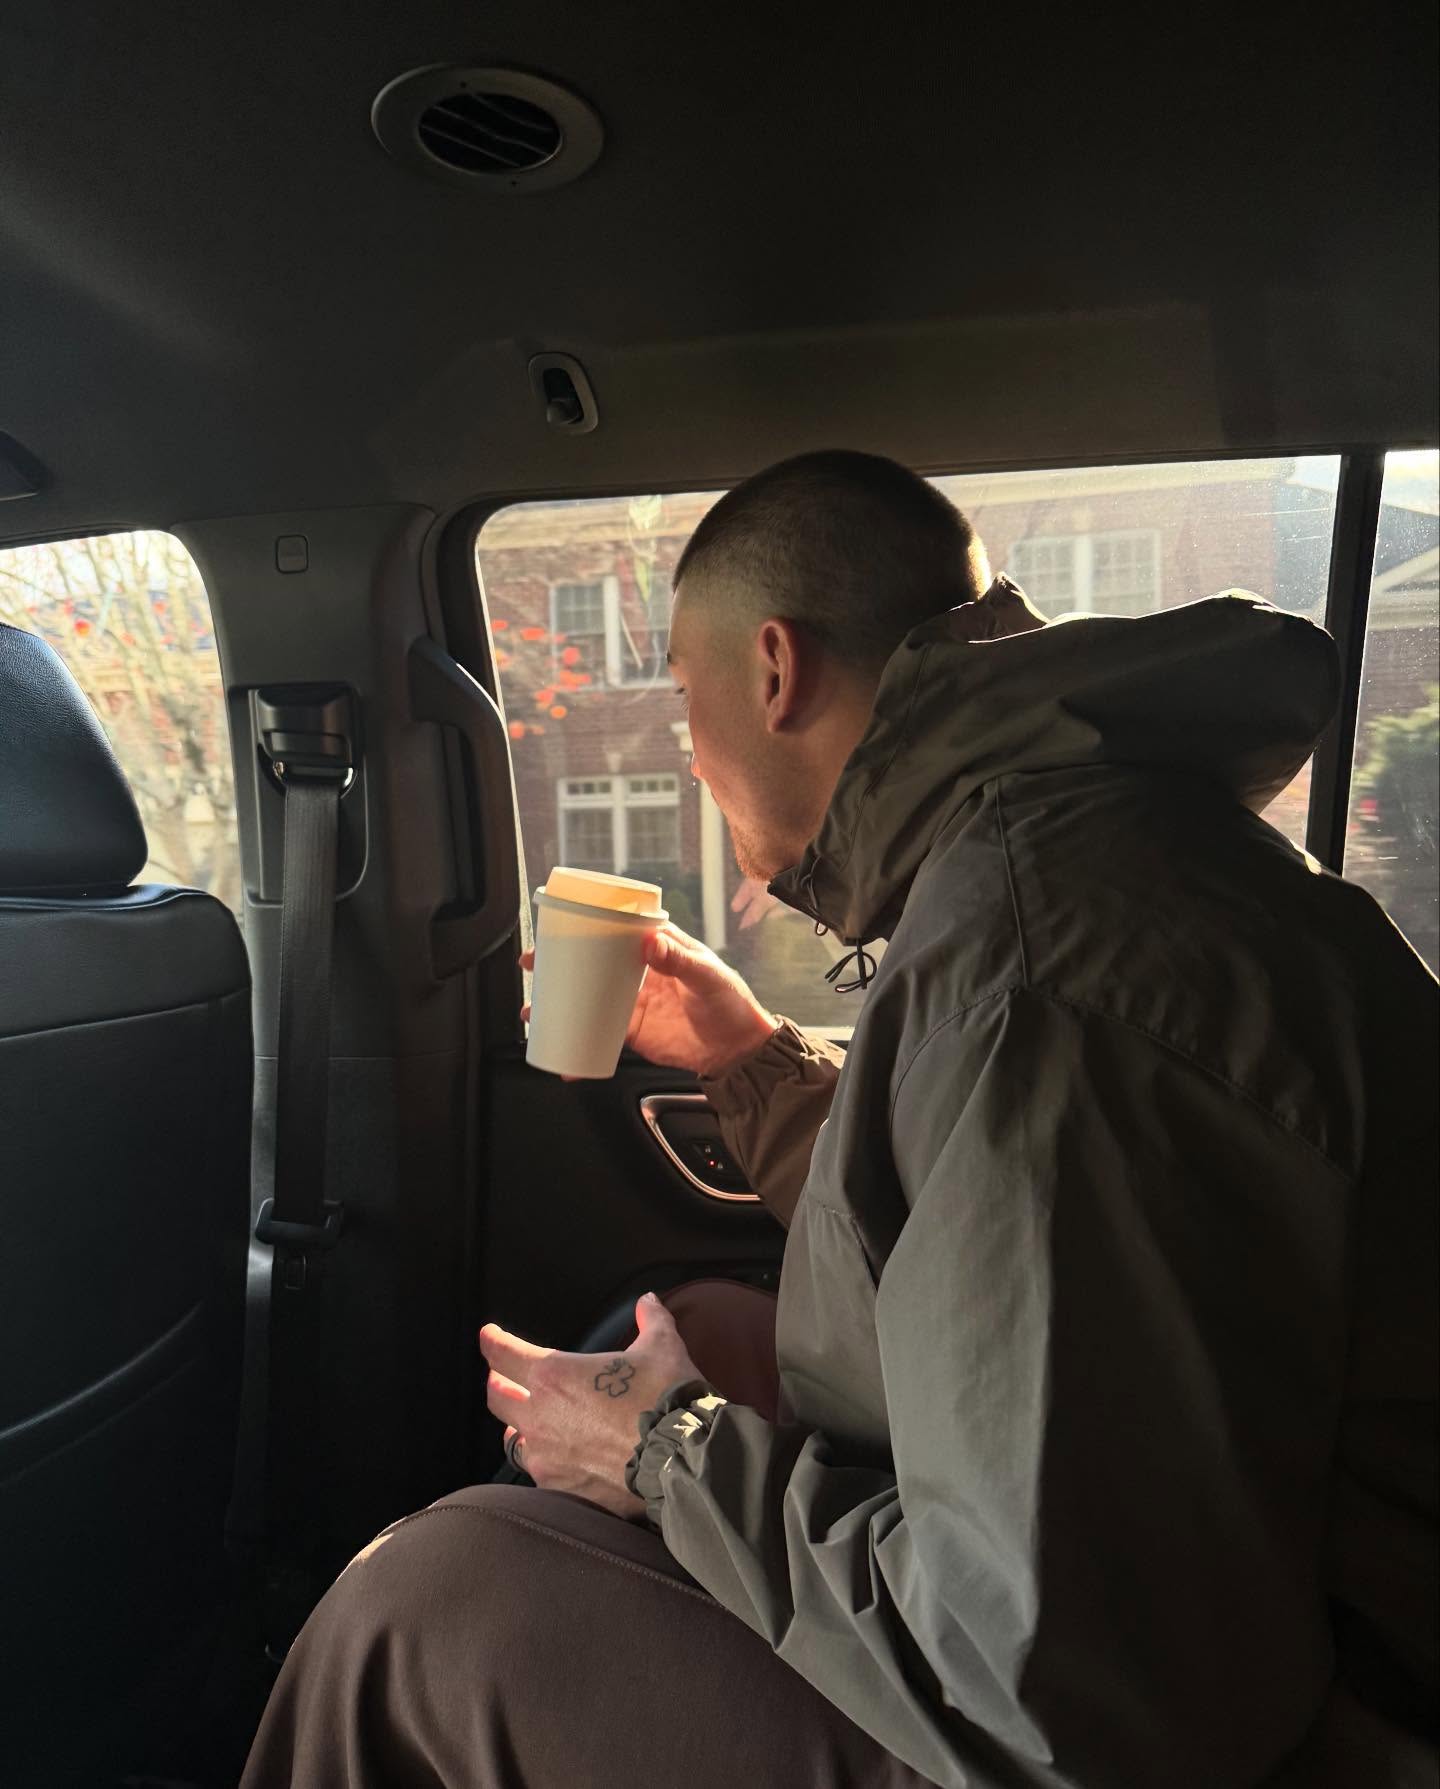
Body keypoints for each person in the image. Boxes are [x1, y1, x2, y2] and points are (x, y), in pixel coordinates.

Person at [242, 451, 1438, 1788]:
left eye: (684, 700)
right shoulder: (1068, 865)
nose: (690, 754)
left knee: (419, 1605)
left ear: (775, 670)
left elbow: (1062, 1691)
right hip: (1240, 1656)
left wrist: (664, 1451)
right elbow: (965, 1225)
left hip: (1283, 1742)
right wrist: (743, 1055)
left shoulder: (1040, 974)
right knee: (717, 1327)